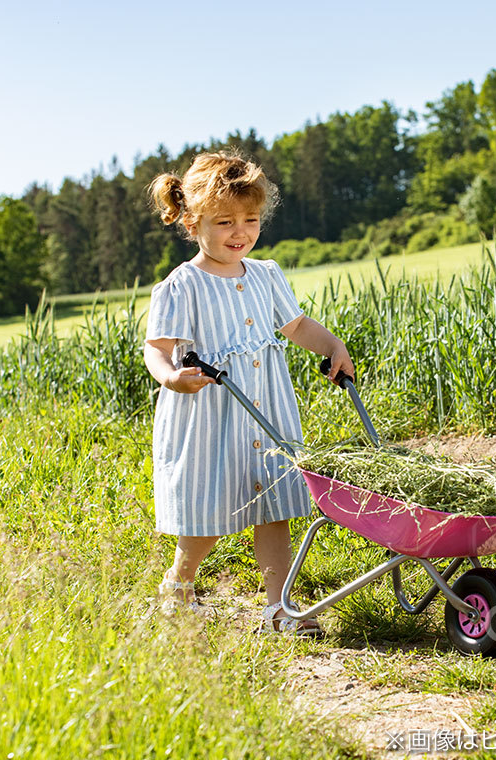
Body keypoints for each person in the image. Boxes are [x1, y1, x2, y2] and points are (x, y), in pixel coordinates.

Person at [144, 149, 353, 635]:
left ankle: (280, 608)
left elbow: (296, 325)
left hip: (267, 414)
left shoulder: (266, 275)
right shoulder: (182, 286)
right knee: (208, 515)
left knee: (276, 506)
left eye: (251, 219)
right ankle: (179, 582)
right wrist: (173, 378)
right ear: (192, 221)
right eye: (224, 222)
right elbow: (157, 349)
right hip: (210, 418)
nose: (240, 232)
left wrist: (333, 344)